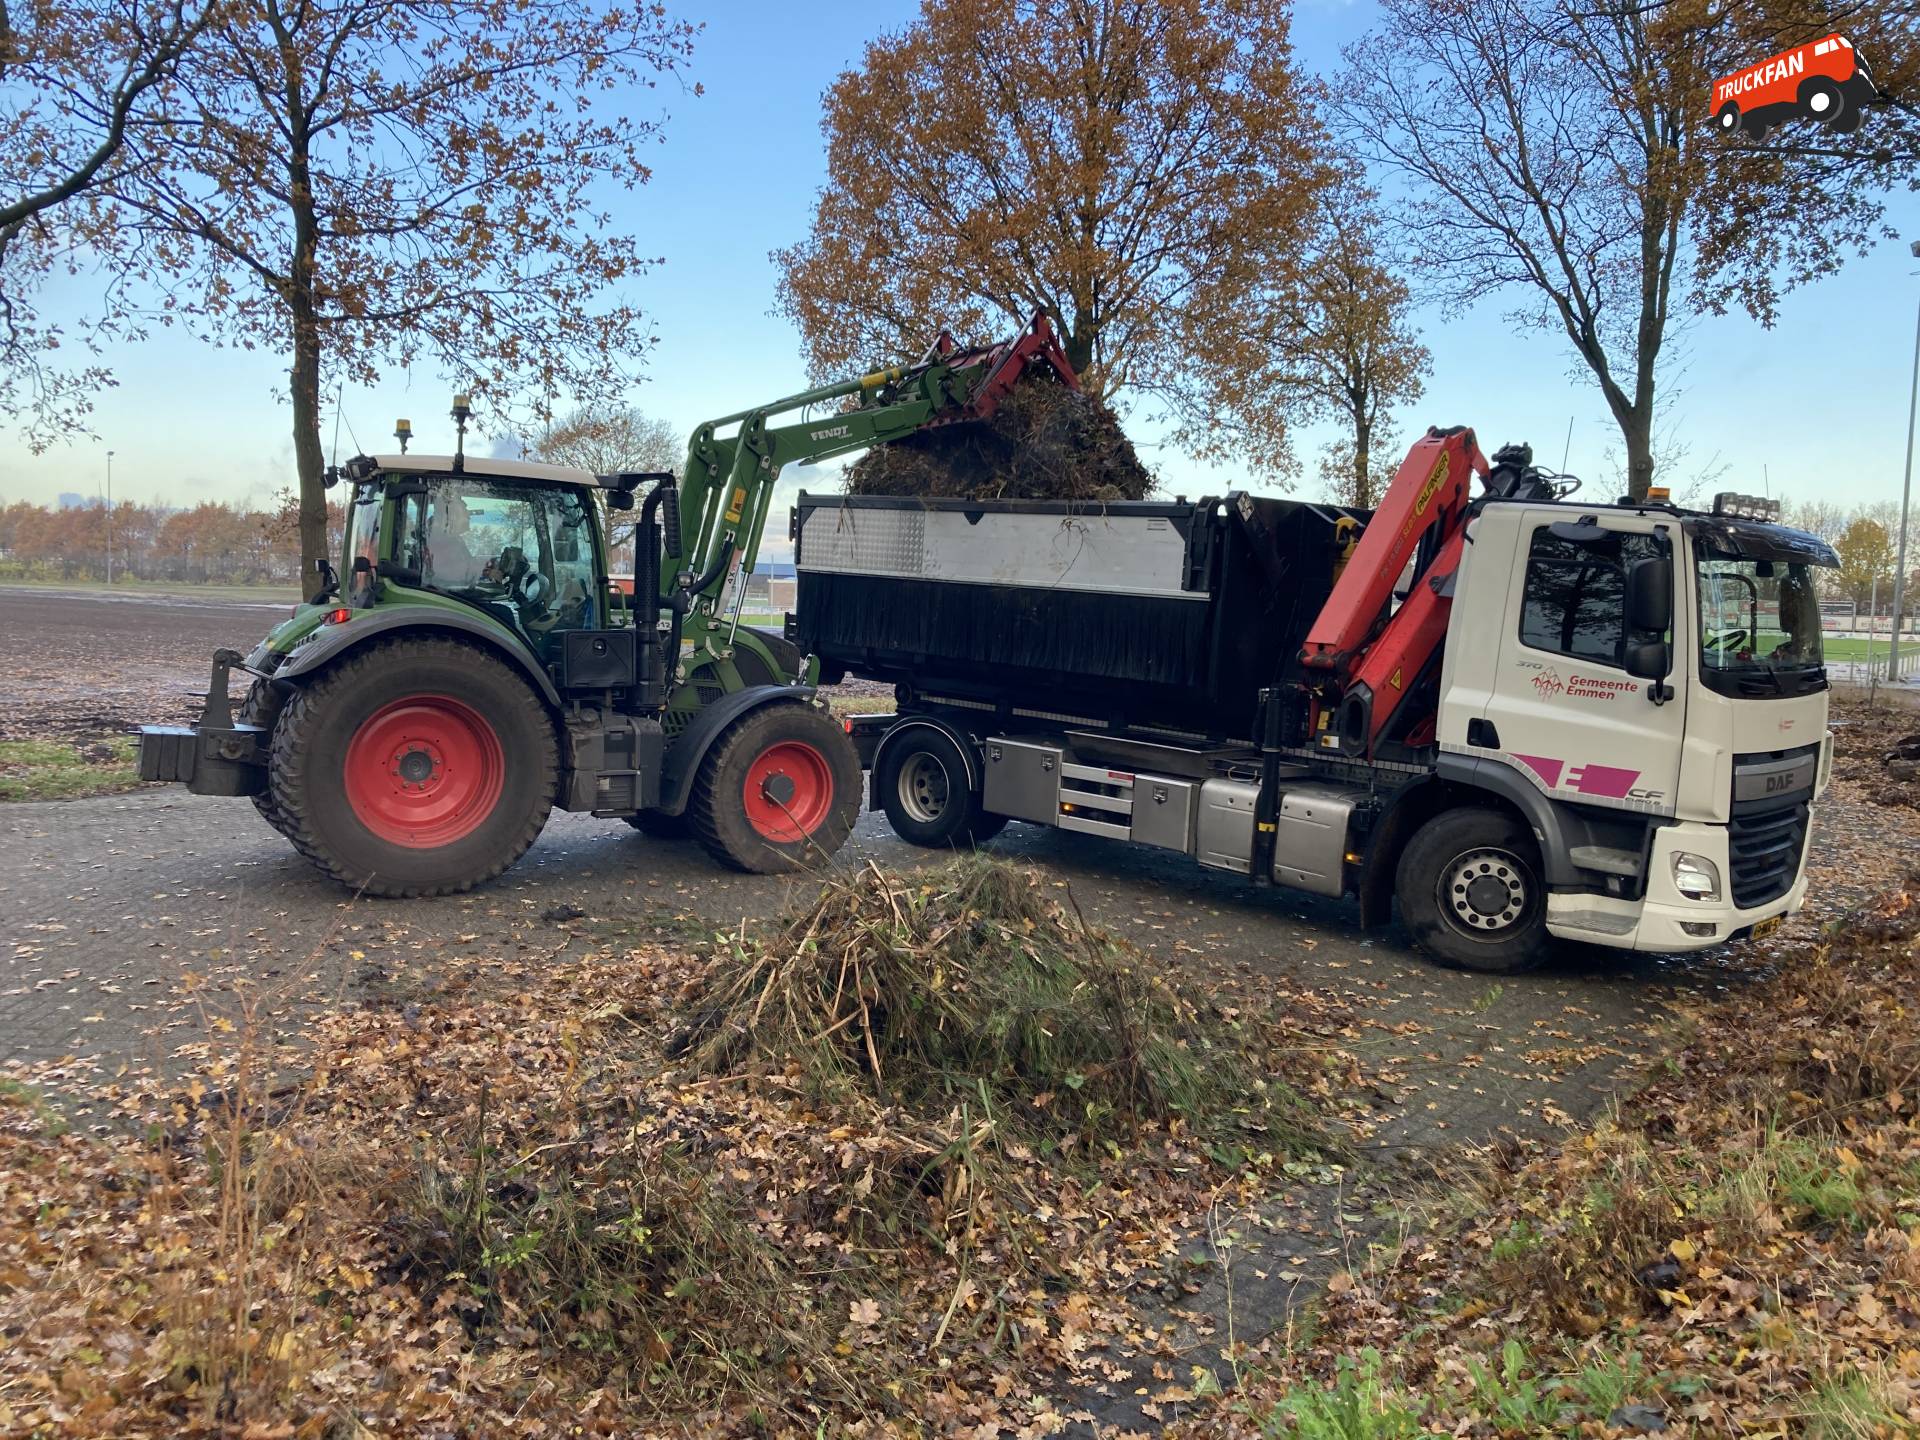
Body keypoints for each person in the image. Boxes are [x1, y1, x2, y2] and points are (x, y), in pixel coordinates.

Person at [424, 493, 490, 588]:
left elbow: (466, 564)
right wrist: (485, 572)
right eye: (464, 512)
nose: (469, 517)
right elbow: (455, 576)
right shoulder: (442, 541)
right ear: (452, 517)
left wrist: (487, 564)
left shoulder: (455, 540)